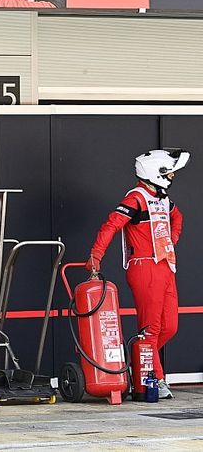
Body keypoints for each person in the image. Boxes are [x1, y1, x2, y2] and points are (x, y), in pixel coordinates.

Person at [86, 149, 190, 400]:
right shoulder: (136, 198)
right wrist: (95, 257)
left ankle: (138, 357)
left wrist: (173, 238)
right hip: (144, 268)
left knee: (170, 327)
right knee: (151, 330)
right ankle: (156, 378)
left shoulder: (163, 198)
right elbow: (111, 225)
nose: (173, 176)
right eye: (170, 172)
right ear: (156, 173)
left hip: (166, 266)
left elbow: (178, 217)